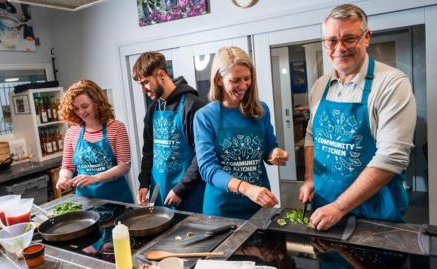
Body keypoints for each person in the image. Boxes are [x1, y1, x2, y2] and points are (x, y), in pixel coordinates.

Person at [299, 4, 416, 231]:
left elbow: (391, 157)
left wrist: (339, 207)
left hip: (375, 215)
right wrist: (309, 177)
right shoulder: (320, 85)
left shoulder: (391, 84)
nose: (339, 48)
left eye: (349, 38)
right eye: (332, 40)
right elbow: (312, 135)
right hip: (324, 209)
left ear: (366, 37)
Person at [194, 47, 289, 219]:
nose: (243, 86)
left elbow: (269, 148)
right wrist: (247, 188)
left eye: (247, 78)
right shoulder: (205, 117)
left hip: (259, 203)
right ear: (219, 80)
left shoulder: (261, 110)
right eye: (235, 80)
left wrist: (275, 154)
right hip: (222, 208)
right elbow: (208, 168)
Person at [132, 52, 206, 213]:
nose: (143, 89)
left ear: (161, 75)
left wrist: (180, 189)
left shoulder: (192, 105)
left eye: (145, 82)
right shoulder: (153, 108)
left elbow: (202, 155)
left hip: (189, 193)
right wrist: (144, 183)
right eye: (140, 84)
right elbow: (148, 150)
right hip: (160, 192)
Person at [56, 80, 134, 203]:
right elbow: (67, 166)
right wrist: (63, 178)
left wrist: (95, 178)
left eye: (85, 106)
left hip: (115, 199)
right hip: (85, 201)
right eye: (76, 108)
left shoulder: (116, 128)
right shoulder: (72, 132)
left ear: (97, 103)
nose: (81, 112)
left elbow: (124, 165)